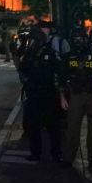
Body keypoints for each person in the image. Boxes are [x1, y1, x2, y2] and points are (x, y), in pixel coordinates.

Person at [19, 23, 64, 161]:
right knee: (34, 126)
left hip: (48, 93)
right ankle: (36, 152)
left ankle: (55, 153)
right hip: (34, 93)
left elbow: (57, 72)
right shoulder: (29, 53)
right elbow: (22, 68)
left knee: (52, 126)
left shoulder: (48, 53)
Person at [62, 28, 92, 169]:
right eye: (75, 39)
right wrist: (62, 98)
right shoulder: (68, 57)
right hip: (75, 95)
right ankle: (69, 157)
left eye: (81, 38)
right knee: (72, 128)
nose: (78, 41)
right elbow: (62, 79)